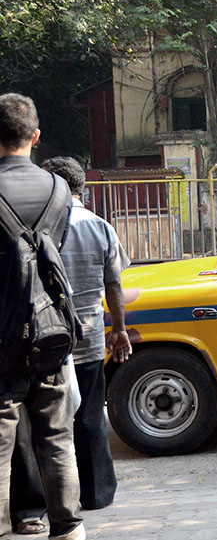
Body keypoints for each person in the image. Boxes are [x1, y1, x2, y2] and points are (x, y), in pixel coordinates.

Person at [0, 93, 87, 540]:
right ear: (34, 137)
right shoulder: (58, 189)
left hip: (0, 337)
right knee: (57, 436)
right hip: (51, 335)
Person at [40, 157, 132, 510]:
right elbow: (114, 286)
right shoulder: (100, 227)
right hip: (90, 340)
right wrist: (119, 330)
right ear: (82, 189)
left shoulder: (40, 229)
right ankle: (96, 495)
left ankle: (52, 499)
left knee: (49, 422)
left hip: (46, 341)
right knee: (91, 418)